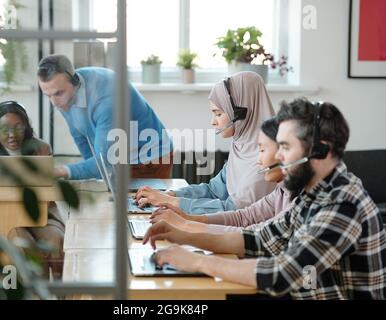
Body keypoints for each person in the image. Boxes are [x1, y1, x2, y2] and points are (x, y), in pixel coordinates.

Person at [143, 98, 386, 299]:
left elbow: (282, 274)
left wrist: (196, 261)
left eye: (286, 147)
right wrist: (182, 235)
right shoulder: (315, 192)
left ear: (319, 150)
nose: (278, 156)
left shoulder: (343, 204)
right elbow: (260, 239)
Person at [135, 71, 276, 213]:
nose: (213, 121)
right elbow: (214, 190)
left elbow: (234, 211)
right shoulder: (241, 145)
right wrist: (170, 194)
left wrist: (172, 202)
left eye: (218, 114)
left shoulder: (265, 158)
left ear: (241, 114)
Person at [0, 101, 65, 279]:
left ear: (26, 127)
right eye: (4, 129)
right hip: (4, 213)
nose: (12, 135)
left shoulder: (41, 147)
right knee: (23, 244)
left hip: (40, 213)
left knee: (55, 239)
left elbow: (49, 186)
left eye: (18, 127)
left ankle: (59, 293)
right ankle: (34, 293)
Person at [37, 54, 173, 180]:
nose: (54, 102)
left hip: (150, 159)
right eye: (48, 95)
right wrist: (95, 173)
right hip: (120, 158)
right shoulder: (63, 95)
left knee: (143, 204)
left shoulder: (107, 99)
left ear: (75, 81)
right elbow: (79, 135)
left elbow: (105, 161)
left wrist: (60, 171)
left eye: (58, 93)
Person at [150, 117, 293, 233]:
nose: (257, 160)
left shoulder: (301, 202)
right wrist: (185, 217)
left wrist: (187, 223)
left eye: (218, 113)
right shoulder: (281, 191)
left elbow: (258, 234)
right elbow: (243, 217)